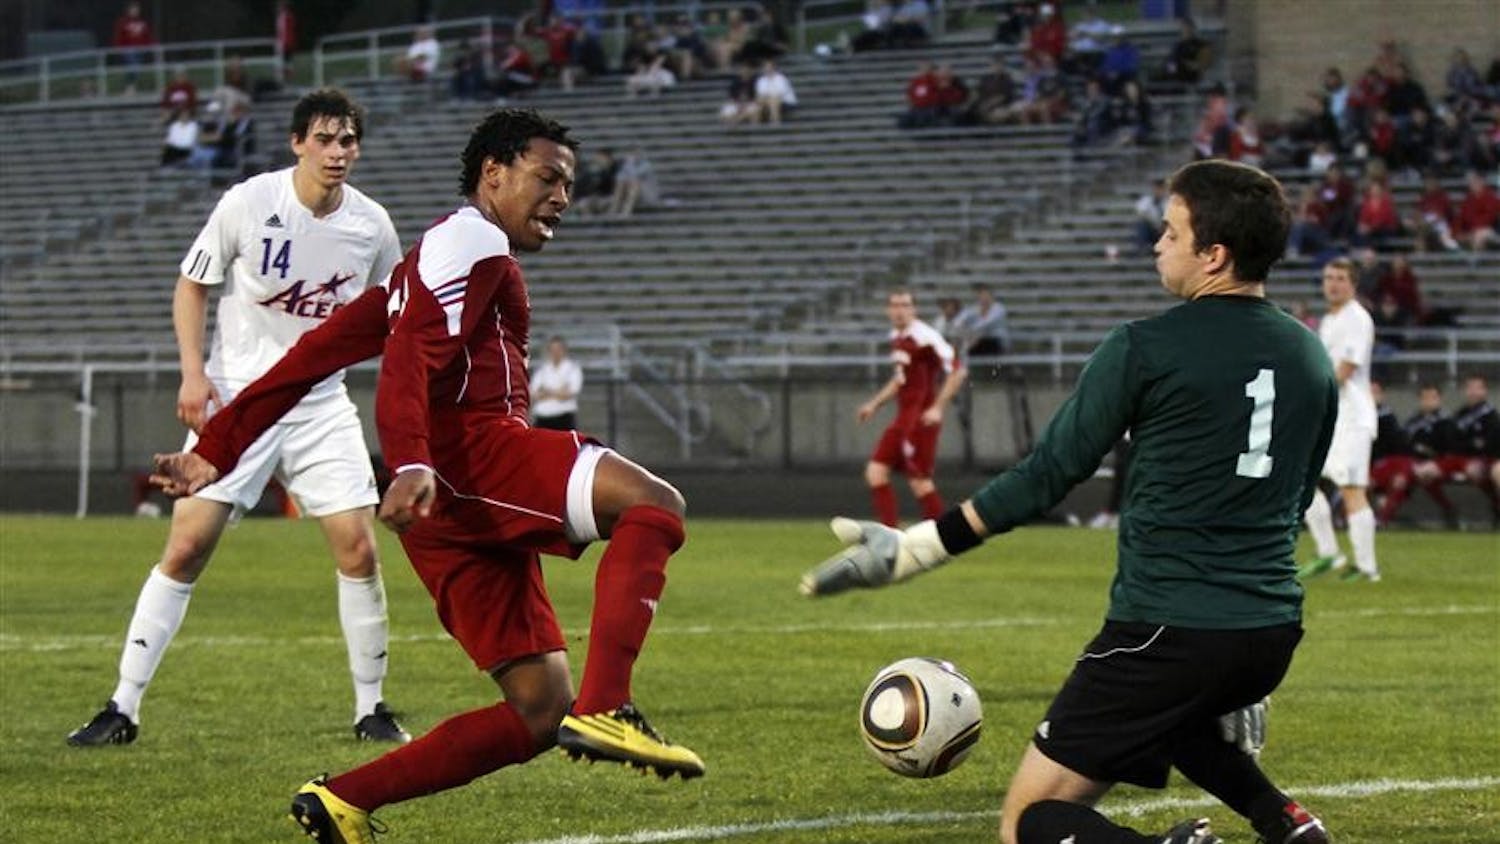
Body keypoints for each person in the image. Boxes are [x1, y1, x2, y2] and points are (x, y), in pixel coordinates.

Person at [149, 109, 704, 842]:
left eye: (570, 182)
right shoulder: (469, 239)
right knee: (654, 507)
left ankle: (341, 798)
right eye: (548, 177)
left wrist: (215, 447)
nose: (563, 196)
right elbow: (413, 354)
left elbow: (312, 356)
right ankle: (608, 705)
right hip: (469, 460)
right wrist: (411, 459)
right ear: (493, 173)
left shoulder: (424, 262)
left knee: (539, 709)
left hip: (444, 497)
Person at [803, 160, 1333, 844]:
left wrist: (914, 549)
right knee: (1172, 718)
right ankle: (1287, 823)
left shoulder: (1146, 346)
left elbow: (1049, 474)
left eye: (1171, 232)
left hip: (1166, 629)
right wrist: (1244, 672)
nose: (1157, 244)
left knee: (1029, 821)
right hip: (1269, 632)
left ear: (1214, 255)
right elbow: (1291, 506)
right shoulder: (1311, 357)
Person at [67, 89, 409, 749]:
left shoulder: (372, 225)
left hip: (318, 401)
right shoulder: (248, 203)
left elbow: (395, 316)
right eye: (326, 139)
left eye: (348, 141)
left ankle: (372, 709)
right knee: (187, 548)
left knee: (359, 549)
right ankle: (122, 707)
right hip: (239, 400)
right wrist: (194, 373)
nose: (339, 152)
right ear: (297, 143)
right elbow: (192, 285)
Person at [1299, 258, 1381, 583]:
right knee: (1304, 481)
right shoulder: (1330, 320)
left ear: (1353, 284)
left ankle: (1367, 568)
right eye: (1328, 277)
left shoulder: (1356, 319)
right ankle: (1329, 554)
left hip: (1352, 417)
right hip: (1331, 416)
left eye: (1340, 278)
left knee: (1351, 489)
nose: (1332, 283)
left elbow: (1345, 370)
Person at [856, 289, 967, 527]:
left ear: (914, 309)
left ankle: (946, 540)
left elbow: (959, 371)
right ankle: (890, 538)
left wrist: (937, 408)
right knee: (875, 473)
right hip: (903, 419)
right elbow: (900, 380)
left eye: (905, 305)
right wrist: (873, 404)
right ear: (888, 310)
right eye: (895, 305)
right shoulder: (897, 336)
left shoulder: (925, 337)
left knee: (920, 482)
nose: (899, 310)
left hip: (921, 420)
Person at [531, 336, 583, 430]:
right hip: (543, 418)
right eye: (552, 349)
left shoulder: (572, 369)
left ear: (564, 350)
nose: (555, 352)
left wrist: (546, 391)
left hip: (564, 418)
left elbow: (570, 393)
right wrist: (560, 390)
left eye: (558, 349)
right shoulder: (542, 370)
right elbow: (534, 394)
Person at [953, 283, 1010, 359]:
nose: (984, 297)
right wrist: (964, 327)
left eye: (986, 295)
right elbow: (958, 321)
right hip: (978, 341)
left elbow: (987, 324)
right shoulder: (975, 308)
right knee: (964, 339)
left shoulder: (999, 309)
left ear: (991, 296)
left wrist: (969, 330)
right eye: (981, 295)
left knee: (975, 338)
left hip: (996, 341)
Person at [112, 1, 154, 95]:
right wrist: (119, 48)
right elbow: (119, 36)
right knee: (132, 63)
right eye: (133, 9)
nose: (135, 11)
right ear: (128, 10)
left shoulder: (142, 23)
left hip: (140, 50)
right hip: (128, 49)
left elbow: (148, 37)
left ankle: (130, 86)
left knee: (136, 67)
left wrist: (150, 46)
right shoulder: (123, 22)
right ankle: (130, 86)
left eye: (136, 9)